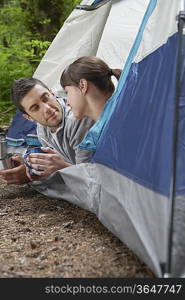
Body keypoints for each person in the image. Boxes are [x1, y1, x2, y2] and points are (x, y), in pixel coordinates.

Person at [0, 77, 94, 185]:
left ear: (52, 93)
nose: (47, 109)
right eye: (35, 108)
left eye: (45, 98)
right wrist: (29, 164)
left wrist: (62, 168)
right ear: (29, 118)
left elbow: (92, 180)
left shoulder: (77, 119)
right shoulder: (42, 128)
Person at [60, 56, 122, 122]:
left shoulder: (115, 124)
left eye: (67, 92)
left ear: (83, 85)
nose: (67, 102)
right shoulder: (123, 110)